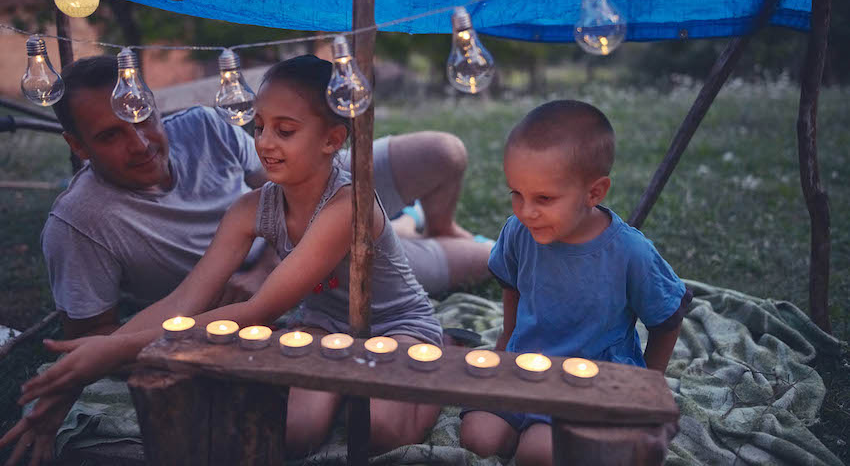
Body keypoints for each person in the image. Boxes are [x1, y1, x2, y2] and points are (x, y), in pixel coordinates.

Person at [3, 55, 444, 461]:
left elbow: (258, 310)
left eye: (285, 131)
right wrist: (69, 382)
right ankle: (351, 383)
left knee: (383, 430)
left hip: (394, 325)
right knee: (295, 431)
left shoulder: (348, 206)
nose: (266, 143)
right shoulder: (250, 209)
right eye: (259, 127)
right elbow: (184, 301)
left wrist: (114, 346)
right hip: (324, 325)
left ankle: (442, 350)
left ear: (332, 139)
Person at [41, 55, 490, 340]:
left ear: (155, 105)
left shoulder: (201, 127)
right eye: (110, 135)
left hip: (311, 212)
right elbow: (89, 336)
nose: (139, 144)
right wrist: (89, 363)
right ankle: (405, 226)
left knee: (440, 153)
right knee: (479, 261)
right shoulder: (80, 223)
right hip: (308, 261)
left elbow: (282, 180)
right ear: (77, 146)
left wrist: (265, 267)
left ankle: (417, 223)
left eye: (142, 118)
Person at [459, 100, 691, 466]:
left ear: (594, 193)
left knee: (539, 451)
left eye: (544, 198)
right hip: (526, 367)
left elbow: (668, 318)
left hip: (589, 384)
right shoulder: (520, 232)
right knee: (477, 436)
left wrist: (647, 385)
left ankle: (555, 437)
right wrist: (505, 350)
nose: (526, 210)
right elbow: (512, 288)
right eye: (516, 193)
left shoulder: (628, 252)